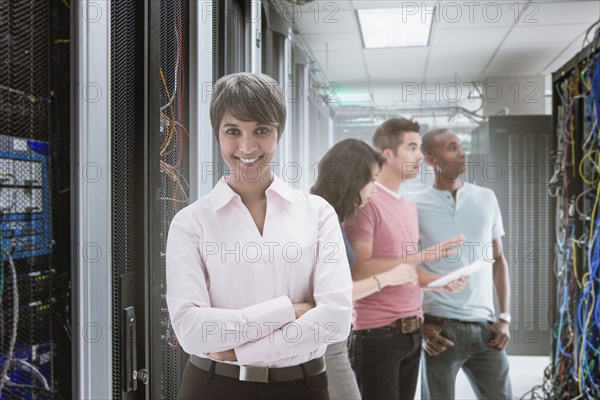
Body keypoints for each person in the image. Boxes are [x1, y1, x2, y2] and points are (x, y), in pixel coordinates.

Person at [166, 72, 352, 400]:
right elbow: (193, 331)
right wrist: (288, 311)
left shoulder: (317, 213)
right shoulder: (191, 223)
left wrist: (241, 353)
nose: (247, 147)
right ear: (217, 135)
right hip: (213, 387)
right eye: (233, 131)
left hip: (302, 387)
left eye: (261, 130)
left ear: (278, 132)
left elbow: (335, 319)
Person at [344, 118, 467, 400]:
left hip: (412, 332)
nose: (421, 156)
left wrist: (438, 282)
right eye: (412, 148)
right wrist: (427, 254)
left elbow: (405, 268)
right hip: (377, 335)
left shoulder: (408, 205)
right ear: (387, 154)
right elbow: (361, 269)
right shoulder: (366, 202)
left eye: (420, 148)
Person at [311, 138, 423, 400]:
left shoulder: (332, 216)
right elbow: (332, 294)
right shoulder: (320, 218)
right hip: (327, 344)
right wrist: (388, 278)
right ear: (353, 178)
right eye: (372, 179)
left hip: (335, 339)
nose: (375, 188)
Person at [411, 128, 513, 399]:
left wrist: (504, 318)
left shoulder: (486, 198)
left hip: (486, 327)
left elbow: (498, 260)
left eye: (460, 145)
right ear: (432, 160)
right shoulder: (414, 205)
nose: (462, 152)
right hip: (439, 330)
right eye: (452, 147)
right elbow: (406, 268)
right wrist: (422, 324)